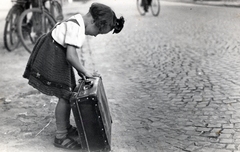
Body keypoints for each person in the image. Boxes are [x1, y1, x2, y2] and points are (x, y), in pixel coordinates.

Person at [23, 2, 125, 150]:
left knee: (67, 93)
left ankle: (65, 127)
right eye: (98, 31)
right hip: (53, 55)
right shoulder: (77, 28)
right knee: (65, 95)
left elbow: (71, 54)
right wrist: (85, 71)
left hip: (54, 52)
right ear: (93, 21)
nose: (95, 35)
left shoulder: (76, 20)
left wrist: (81, 71)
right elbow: (71, 56)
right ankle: (61, 136)